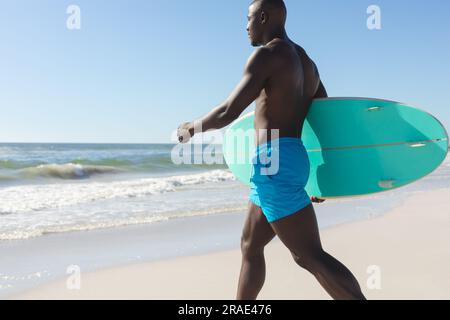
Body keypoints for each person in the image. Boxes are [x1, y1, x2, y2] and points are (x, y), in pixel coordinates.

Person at [177, 0, 366, 300]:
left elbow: (229, 110)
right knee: (250, 246)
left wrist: (191, 127)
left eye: (249, 18)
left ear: (263, 17)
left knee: (308, 255)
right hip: (291, 157)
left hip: (271, 161)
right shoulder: (307, 63)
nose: (246, 26)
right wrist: (317, 175)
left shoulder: (265, 56)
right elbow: (324, 117)